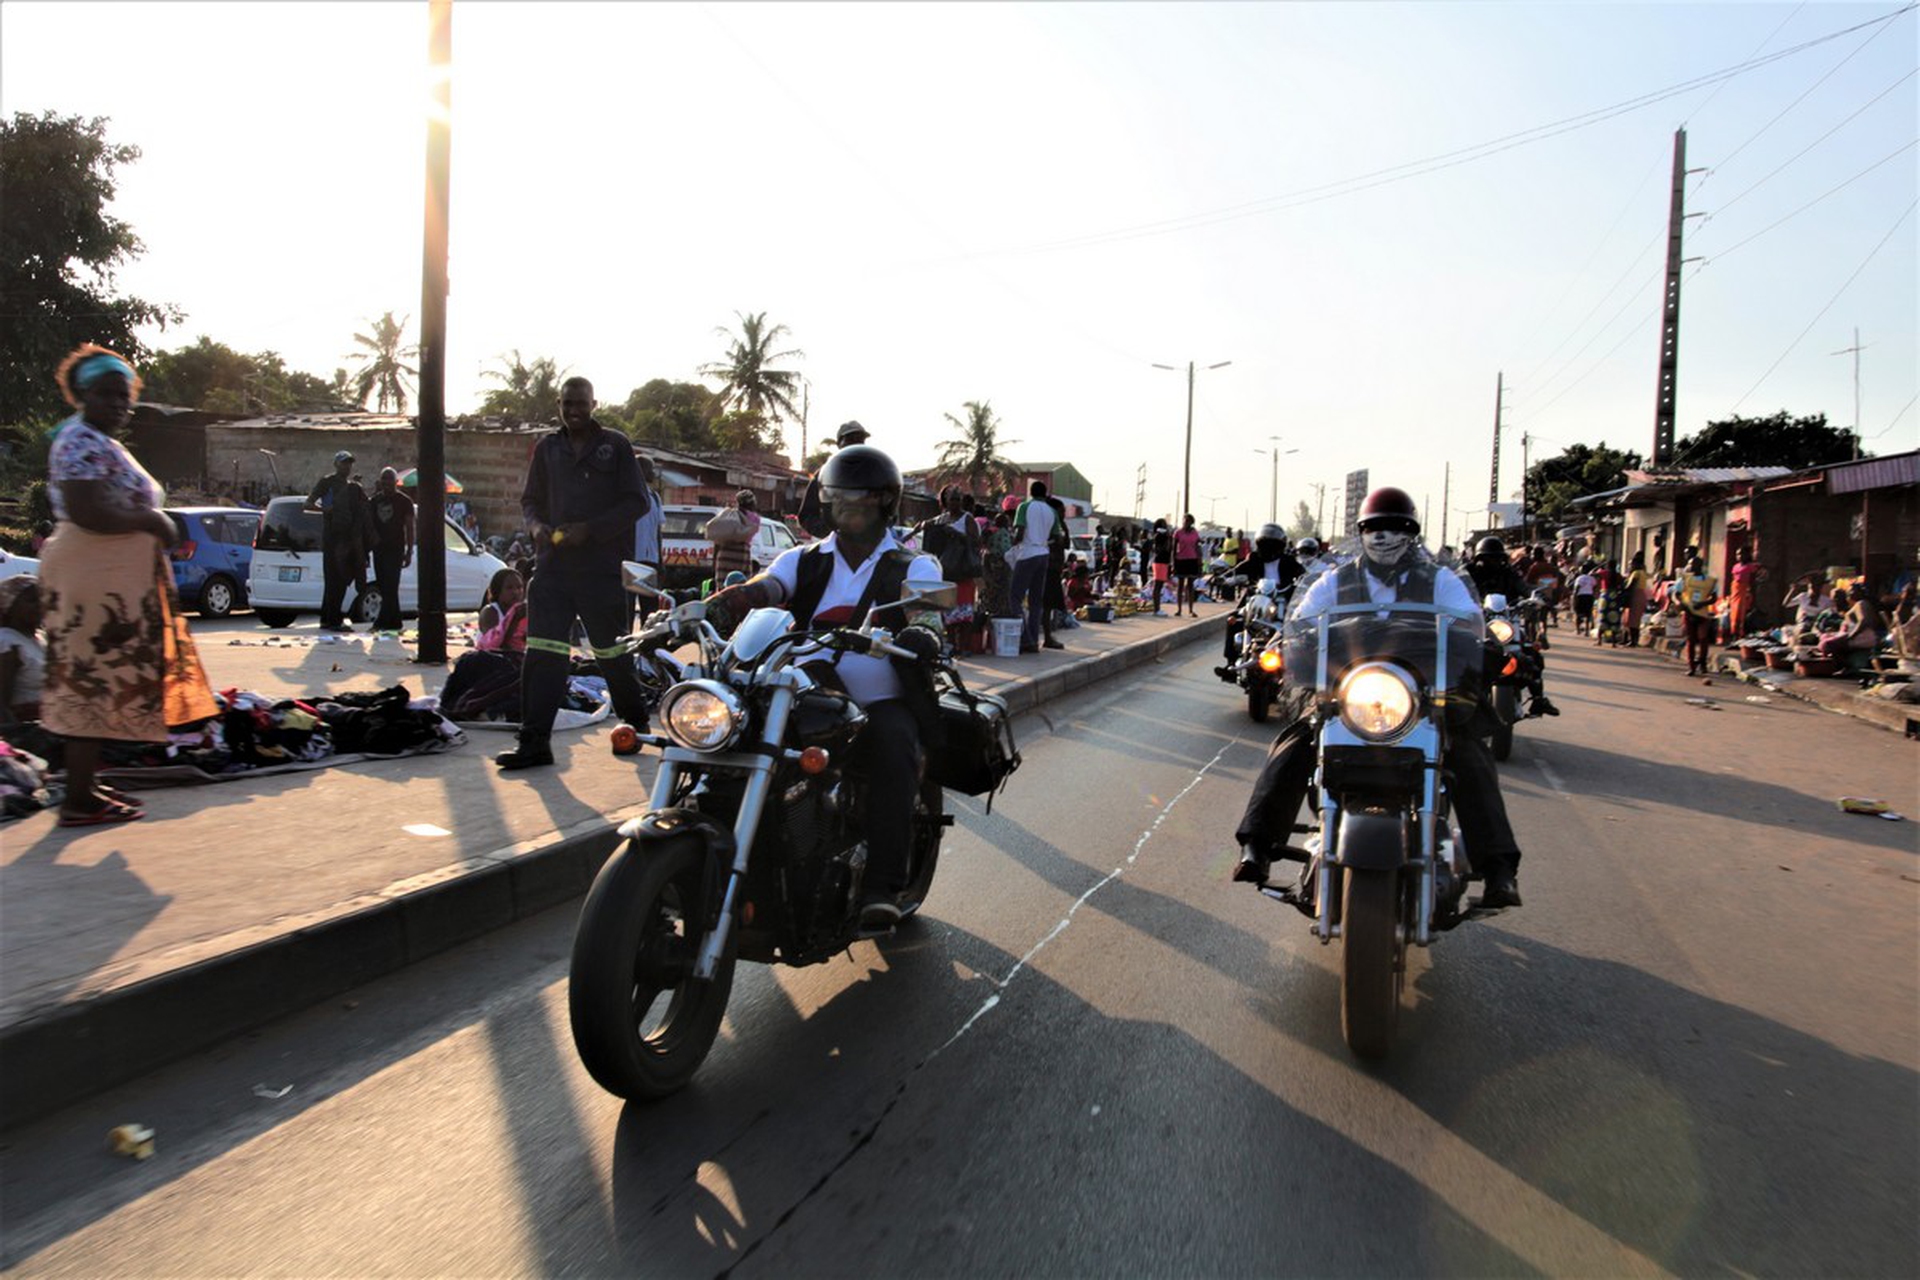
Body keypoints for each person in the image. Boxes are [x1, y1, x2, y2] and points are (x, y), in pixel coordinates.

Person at [1232, 486, 1526, 909]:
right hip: (1344, 694)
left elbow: (1466, 622)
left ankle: (1499, 870)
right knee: (1295, 743)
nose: (1383, 537)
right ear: (1361, 533)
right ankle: (1256, 848)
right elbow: (1302, 622)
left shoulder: (1439, 580)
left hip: (1422, 699)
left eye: (1395, 528)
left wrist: (1487, 648)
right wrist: (1284, 645)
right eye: (1374, 528)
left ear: (1412, 534)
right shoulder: (1335, 580)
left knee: (1470, 755)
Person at [701, 444, 944, 928]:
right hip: (804, 690)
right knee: (731, 735)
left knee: (896, 746)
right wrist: (722, 603)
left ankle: (881, 886)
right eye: (839, 496)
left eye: (861, 498)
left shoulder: (913, 564)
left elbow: (926, 611)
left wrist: (924, 631)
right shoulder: (803, 559)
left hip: (877, 702)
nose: (848, 506)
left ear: (884, 503)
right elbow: (766, 590)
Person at [38, 345, 219, 825]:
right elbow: (88, 511)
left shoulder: (99, 441)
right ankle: (77, 800)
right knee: (90, 682)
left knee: (102, 681)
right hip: (90, 577)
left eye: (125, 395)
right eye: (107, 394)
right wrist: (153, 520)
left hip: (107, 578)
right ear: (83, 395)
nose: (119, 404)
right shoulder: (80, 441)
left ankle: (85, 788)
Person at [497, 376, 653, 770]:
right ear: (559, 405)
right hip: (552, 569)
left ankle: (636, 727)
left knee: (611, 653)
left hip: (600, 571)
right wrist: (536, 528)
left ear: (593, 404)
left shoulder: (615, 446)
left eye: (580, 404)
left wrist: (592, 529)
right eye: (567, 404)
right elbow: (530, 501)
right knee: (543, 654)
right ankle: (534, 743)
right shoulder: (548, 448)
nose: (573, 411)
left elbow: (637, 502)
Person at [305, 449, 375, 632]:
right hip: (333, 539)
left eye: (349, 463)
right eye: (344, 463)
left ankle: (329, 618)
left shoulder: (353, 487)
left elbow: (363, 508)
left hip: (349, 539)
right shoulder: (327, 483)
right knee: (334, 580)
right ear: (336, 464)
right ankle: (331, 620)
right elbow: (308, 504)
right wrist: (325, 510)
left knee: (343, 579)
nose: (347, 466)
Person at [1217, 524, 1302, 674]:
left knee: (1300, 622)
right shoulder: (1254, 558)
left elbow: (1303, 573)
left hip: (1282, 597)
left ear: (1280, 546)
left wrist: (1310, 580)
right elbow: (1239, 569)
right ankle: (1230, 663)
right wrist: (1224, 577)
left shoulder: (1288, 561)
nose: (1269, 548)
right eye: (1265, 545)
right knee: (1234, 620)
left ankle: (1299, 664)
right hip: (1256, 596)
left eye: (1272, 545)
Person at [913, 484, 985, 653]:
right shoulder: (941, 519)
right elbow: (924, 526)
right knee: (949, 611)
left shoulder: (967, 519)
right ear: (945, 501)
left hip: (963, 571)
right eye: (951, 499)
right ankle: (953, 645)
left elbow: (975, 543)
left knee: (965, 611)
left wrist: (956, 535)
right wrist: (923, 525)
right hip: (947, 572)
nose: (955, 503)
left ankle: (964, 647)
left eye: (957, 499)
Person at [1007, 480, 1060, 652]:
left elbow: (1019, 532)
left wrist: (1013, 541)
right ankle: (1034, 640)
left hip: (1027, 554)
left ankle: (1026, 639)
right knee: (1036, 601)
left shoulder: (1024, 507)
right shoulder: (1052, 511)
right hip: (1043, 554)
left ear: (1031, 493)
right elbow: (1057, 537)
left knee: (1015, 597)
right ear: (1045, 494)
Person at [797, 421, 870, 538]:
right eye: (850, 439)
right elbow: (806, 516)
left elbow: (889, 513)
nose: (856, 444)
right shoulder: (825, 474)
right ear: (839, 444)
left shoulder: (873, 473)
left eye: (860, 440)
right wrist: (832, 534)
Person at [367, 467, 415, 633]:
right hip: (379, 549)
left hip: (396, 549)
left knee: (391, 584)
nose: (386, 483)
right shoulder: (374, 501)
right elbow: (369, 524)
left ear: (396, 482)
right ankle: (395, 621)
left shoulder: (404, 501)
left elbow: (409, 527)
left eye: (389, 480)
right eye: (384, 480)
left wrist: (409, 551)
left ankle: (382, 621)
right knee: (383, 585)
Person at [0, 575, 45, 724]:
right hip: (27, 730)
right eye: (32, 600)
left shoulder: (38, 640)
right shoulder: (7, 642)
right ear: (10, 605)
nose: (40, 605)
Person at [1674, 555, 1719, 676]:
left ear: (1700, 566)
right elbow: (1676, 594)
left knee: (1703, 638)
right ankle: (1691, 666)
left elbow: (1714, 598)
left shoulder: (1710, 581)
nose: (1690, 566)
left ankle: (1703, 664)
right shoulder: (1684, 579)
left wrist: (1703, 603)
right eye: (1689, 564)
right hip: (1688, 611)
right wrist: (1679, 603)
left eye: (1693, 564)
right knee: (1691, 640)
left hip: (1702, 613)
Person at [707, 490, 761, 584]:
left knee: (721, 586)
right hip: (742, 554)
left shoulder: (727, 515)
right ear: (752, 504)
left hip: (724, 554)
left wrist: (714, 560)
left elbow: (718, 540)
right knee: (741, 586)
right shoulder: (754, 519)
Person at [1816, 585, 1881, 662]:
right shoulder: (1859, 604)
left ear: (1860, 593)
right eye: (1848, 591)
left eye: (1852, 591)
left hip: (1861, 638)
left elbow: (1864, 621)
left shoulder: (1861, 603)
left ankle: (1843, 665)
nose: (1849, 593)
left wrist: (1851, 636)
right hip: (1860, 636)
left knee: (1827, 645)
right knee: (1825, 636)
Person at [1172, 514, 1204, 617]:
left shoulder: (1195, 533)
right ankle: (1179, 609)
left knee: (1190, 585)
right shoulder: (1178, 533)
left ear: (1191, 522)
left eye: (1188, 521)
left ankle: (1191, 609)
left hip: (1192, 560)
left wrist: (1200, 562)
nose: (1186, 523)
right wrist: (1173, 563)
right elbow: (1174, 549)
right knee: (1180, 585)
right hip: (1180, 560)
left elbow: (1198, 548)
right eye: (1184, 521)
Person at [1726, 546, 1759, 641]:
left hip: (1744, 592)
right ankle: (1734, 637)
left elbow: (1753, 582)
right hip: (1735, 592)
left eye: (1741, 554)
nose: (1739, 556)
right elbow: (1733, 580)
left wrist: (1752, 594)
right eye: (1737, 554)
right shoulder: (1735, 566)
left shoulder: (1751, 567)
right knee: (1733, 616)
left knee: (1742, 615)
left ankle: (1741, 637)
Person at [1622, 552, 1650, 646]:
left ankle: (1633, 641)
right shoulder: (1642, 573)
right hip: (1640, 595)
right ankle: (1630, 639)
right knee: (1632, 619)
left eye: (1631, 564)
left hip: (1635, 596)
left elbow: (1630, 586)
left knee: (1632, 619)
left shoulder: (1636, 573)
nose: (1630, 566)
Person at [1569, 561, 1598, 636]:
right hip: (1589, 596)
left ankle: (1578, 630)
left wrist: (1574, 598)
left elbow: (1576, 589)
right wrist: (1593, 595)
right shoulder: (1592, 579)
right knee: (1588, 614)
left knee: (1578, 613)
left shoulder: (1579, 578)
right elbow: (1595, 587)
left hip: (1580, 596)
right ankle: (1587, 631)